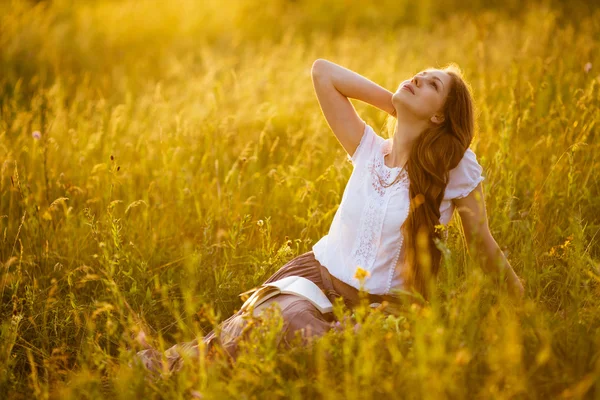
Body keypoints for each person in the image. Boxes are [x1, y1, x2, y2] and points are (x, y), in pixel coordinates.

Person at [132, 59, 525, 375]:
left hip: (386, 305)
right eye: (418, 76)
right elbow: (323, 72)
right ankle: (173, 373)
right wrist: (397, 103)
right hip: (318, 280)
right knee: (269, 325)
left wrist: (520, 302)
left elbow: (481, 242)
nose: (417, 79)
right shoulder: (368, 147)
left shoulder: (455, 168)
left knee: (339, 354)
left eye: (431, 85)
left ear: (439, 117)